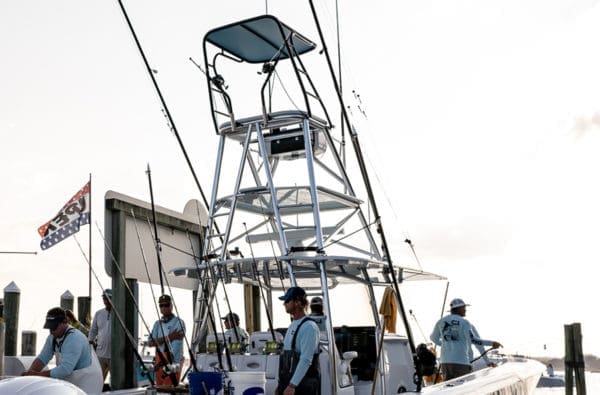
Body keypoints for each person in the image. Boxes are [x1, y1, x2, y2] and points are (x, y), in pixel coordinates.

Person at [22, 307, 103, 394]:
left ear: (64, 322)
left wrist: (37, 375)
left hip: (88, 380)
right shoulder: (52, 337)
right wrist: (28, 376)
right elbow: (42, 358)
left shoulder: (74, 339)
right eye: (49, 328)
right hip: (71, 379)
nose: (51, 331)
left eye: (54, 327)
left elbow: (65, 369)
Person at [430, 298, 502, 381]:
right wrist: (492, 343)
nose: (465, 310)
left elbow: (433, 338)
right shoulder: (465, 323)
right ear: (459, 309)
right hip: (461, 363)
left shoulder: (441, 321)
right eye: (464, 308)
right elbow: (475, 341)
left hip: (445, 362)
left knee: (449, 390)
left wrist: (448, 344)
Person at [275, 286, 320, 395]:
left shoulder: (309, 327)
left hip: (301, 386)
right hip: (289, 383)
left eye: (287, 301)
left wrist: (292, 385)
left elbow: (306, 359)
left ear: (298, 302)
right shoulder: (293, 325)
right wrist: (281, 385)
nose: (284, 304)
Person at [148, 294, 186, 386]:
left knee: (169, 388)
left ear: (171, 306)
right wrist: (169, 337)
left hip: (174, 363)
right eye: (161, 305)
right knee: (160, 389)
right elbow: (150, 343)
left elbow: (175, 347)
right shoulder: (157, 324)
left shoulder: (179, 322)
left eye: (166, 305)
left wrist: (159, 341)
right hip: (159, 362)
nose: (164, 307)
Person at [88, 288, 112, 380]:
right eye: (104, 298)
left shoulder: (120, 313)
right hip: (100, 354)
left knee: (115, 382)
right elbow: (93, 330)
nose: (106, 301)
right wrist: (90, 341)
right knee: (97, 380)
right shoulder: (98, 313)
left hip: (114, 355)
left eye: (108, 298)